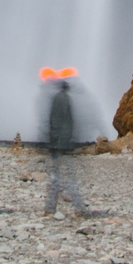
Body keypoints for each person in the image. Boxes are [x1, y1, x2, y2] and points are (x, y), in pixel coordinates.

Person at [40, 71, 90, 217]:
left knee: (57, 178)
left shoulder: (58, 98)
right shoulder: (66, 98)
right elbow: (68, 123)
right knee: (68, 177)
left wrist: (53, 142)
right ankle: (78, 208)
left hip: (58, 145)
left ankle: (51, 209)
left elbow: (56, 122)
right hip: (64, 144)